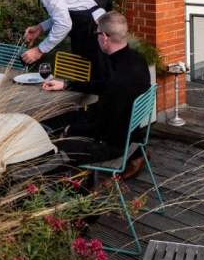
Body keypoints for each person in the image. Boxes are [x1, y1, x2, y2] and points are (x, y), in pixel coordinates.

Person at [41, 11, 150, 178]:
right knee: (61, 118)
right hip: (127, 130)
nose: (96, 37)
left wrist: (72, 130)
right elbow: (104, 86)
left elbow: (101, 128)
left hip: (110, 144)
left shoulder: (117, 78)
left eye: (96, 33)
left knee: (52, 137)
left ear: (104, 37)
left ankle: (77, 183)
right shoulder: (136, 59)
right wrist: (66, 84)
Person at [3, 0, 105, 67]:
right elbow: (64, 14)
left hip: (92, 31)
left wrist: (39, 50)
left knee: (95, 73)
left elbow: (64, 24)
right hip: (88, 27)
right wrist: (41, 27)